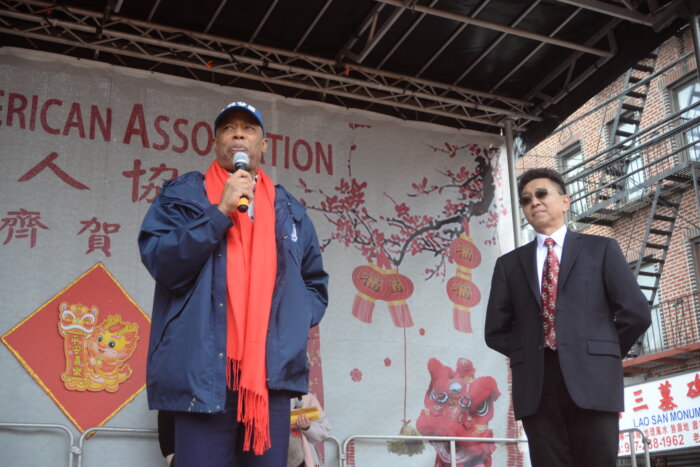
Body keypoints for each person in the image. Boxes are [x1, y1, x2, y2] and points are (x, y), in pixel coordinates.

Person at [139, 100, 329, 467]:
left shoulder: (290, 211)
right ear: (215, 143)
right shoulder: (183, 196)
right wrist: (219, 213)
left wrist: (288, 327)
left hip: (269, 379)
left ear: (263, 145)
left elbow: (314, 284)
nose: (238, 133)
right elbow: (163, 261)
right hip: (204, 372)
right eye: (228, 128)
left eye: (249, 128)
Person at [484, 167, 651, 467]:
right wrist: (529, 353)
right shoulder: (509, 265)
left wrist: (602, 353)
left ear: (565, 200)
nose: (534, 202)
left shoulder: (600, 249)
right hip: (537, 387)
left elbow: (636, 313)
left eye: (541, 194)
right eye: (525, 200)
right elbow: (495, 330)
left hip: (594, 381)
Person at [288, 394, 330, 467]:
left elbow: (323, 431)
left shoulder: (307, 398)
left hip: (303, 458)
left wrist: (308, 427)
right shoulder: (264, 396)